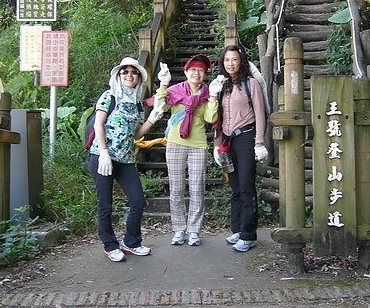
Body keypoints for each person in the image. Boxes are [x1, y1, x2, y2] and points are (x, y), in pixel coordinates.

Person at [87, 57, 165, 262]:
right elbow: (98, 125)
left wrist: (152, 118)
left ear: (138, 77)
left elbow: (137, 134)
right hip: (102, 157)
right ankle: (110, 245)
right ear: (118, 76)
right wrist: (103, 151)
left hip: (126, 158)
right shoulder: (109, 97)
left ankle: (131, 242)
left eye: (134, 72)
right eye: (125, 72)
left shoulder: (137, 104)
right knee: (105, 203)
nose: (130, 75)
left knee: (138, 200)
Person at [154, 54, 221, 246]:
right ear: (186, 71)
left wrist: (214, 96)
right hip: (175, 143)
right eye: (193, 69)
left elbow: (210, 118)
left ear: (205, 74)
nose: (196, 73)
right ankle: (179, 229)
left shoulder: (207, 93)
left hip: (198, 146)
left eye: (200, 70)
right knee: (176, 189)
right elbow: (161, 106)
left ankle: (194, 230)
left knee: (197, 188)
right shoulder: (175, 91)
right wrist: (163, 85)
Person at [212, 45, 268, 252]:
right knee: (234, 187)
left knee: (246, 186)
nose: (230, 64)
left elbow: (260, 113)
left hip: (246, 138)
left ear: (241, 62)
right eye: (227, 60)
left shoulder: (250, 83)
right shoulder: (221, 86)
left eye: (234, 60)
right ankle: (237, 229)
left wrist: (259, 142)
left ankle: (248, 234)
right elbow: (217, 118)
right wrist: (217, 145)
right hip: (227, 142)